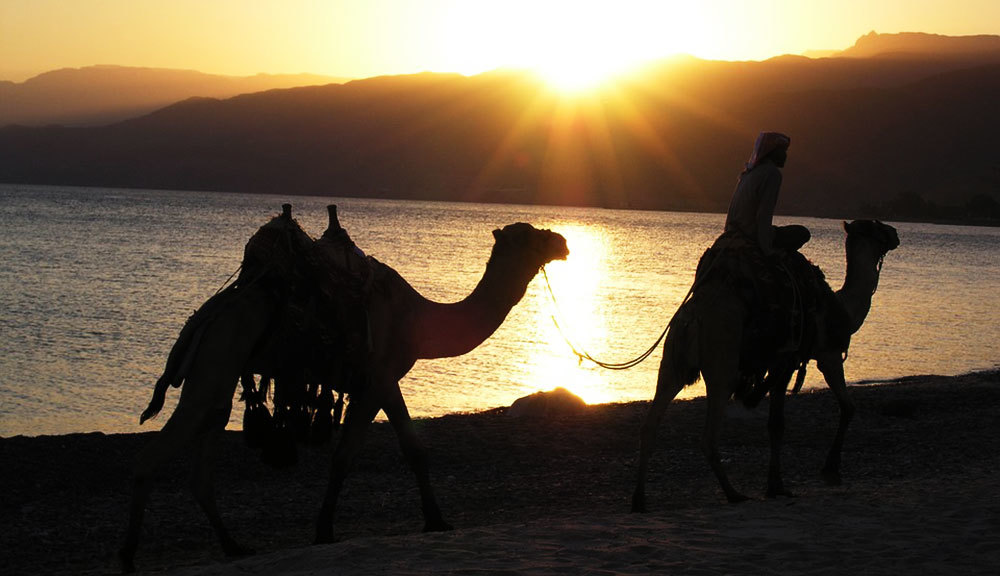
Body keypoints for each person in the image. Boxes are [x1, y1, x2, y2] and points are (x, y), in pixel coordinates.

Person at [724, 131, 809, 256]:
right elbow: (763, 214)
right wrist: (766, 248)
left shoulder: (748, 173)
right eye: (782, 151)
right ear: (771, 152)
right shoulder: (771, 173)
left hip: (734, 232)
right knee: (802, 233)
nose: (785, 156)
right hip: (750, 233)